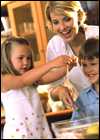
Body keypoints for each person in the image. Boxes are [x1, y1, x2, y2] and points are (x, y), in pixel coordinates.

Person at [1, 37, 76, 139]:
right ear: (7, 59)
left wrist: (68, 66)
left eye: (28, 58)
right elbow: (22, 81)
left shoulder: (31, 78)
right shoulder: (4, 79)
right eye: (20, 58)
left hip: (39, 133)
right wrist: (52, 63)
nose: (26, 62)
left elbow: (52, 75)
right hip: (18, 136)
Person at [45, 1, 99, 96]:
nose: (62, 27)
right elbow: (52, 89)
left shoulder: (96, 34)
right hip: (85, 108)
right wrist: (59, 91)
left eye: (67, 19)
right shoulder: (54, 46)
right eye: (56, 22)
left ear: (78, 15)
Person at [71, 38, 99, 120]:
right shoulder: (82, 98)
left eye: (93, 64)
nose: (88, 70)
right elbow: (75, 126)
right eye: (84, 65)